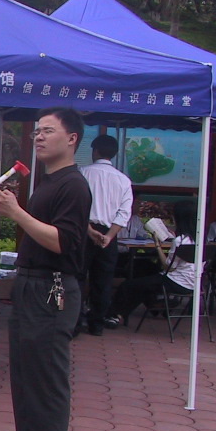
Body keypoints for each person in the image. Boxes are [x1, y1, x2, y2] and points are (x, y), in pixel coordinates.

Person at [0, 107, 91, 431]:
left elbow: (64, 241)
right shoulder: (49, 182)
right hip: (31, 286)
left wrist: (17, 214)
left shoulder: (74, 186)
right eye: (37, 131)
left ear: (72, 139)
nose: (39, 136)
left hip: (53, 289)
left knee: (47, 384)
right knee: (25, 377)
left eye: (48, 131)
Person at [105, 198, 198, 329]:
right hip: (194, 283)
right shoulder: (199, 240)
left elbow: (168, 267)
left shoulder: (179, 241)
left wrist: (158, 246)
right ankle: (152, 304)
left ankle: (112, 315)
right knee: (145, 278)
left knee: (128, 285)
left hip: (175, 281)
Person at [77, 134, 133, 336]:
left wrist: (89, 230)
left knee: (78, 277)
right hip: (109, 233)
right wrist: (109, 236)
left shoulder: (83, 174)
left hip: (84, 231)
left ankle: (75, 323)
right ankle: (97, 324)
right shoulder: (123, 180)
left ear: (95, 151)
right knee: (103, 280)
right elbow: (124, 213)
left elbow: (76, 207)